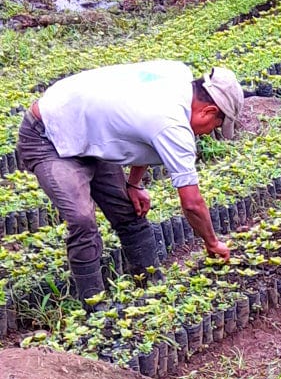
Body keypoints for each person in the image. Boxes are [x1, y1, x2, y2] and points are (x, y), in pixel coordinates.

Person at [17, 60, 244, 304]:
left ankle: (151, 287)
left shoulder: (176, 73)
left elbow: (141, 131)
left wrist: (134, 185)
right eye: (215, 126)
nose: (209, 133)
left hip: (90, 134)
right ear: (208, 111)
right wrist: (212, 243)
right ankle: (96, 309)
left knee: (129, 210)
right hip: (48, 134)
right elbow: (191, 203)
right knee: (82, 220)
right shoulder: (172, 125)